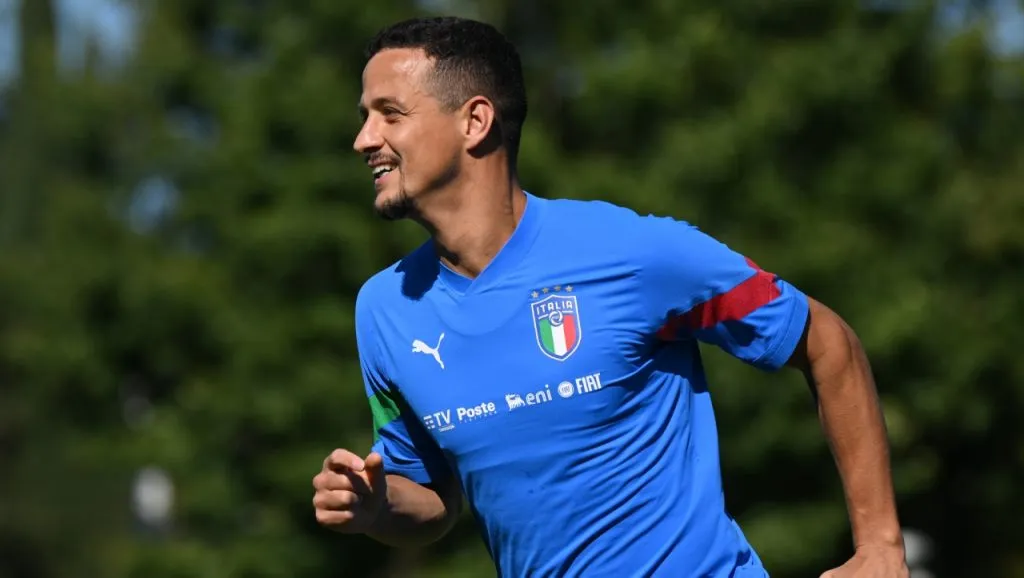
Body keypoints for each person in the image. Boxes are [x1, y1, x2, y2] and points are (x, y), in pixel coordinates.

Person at [312, 15, 909, 578]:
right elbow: (432, 499)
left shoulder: (634, 252)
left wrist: (879, 547)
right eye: (365, 117)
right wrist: (376, 505)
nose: (364, 139)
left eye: (390, 114)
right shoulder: (385, 309)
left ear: (475, 121)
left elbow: (826, 341)